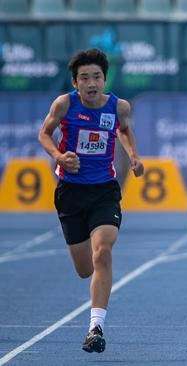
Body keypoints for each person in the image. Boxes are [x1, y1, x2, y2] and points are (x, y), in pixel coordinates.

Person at [38, 48, 144, 353]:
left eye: (96, 76)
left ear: (104, 79)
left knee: (103, 252)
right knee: (85, 269)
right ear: (75, 82)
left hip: (104, 191)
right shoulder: (64, 105)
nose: (91, 83)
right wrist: (59, 155)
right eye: (84, 78)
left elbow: (125, 131)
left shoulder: (118, 107)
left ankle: (95, 327)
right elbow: (44, 134)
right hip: (70, 192)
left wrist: (134, 157)